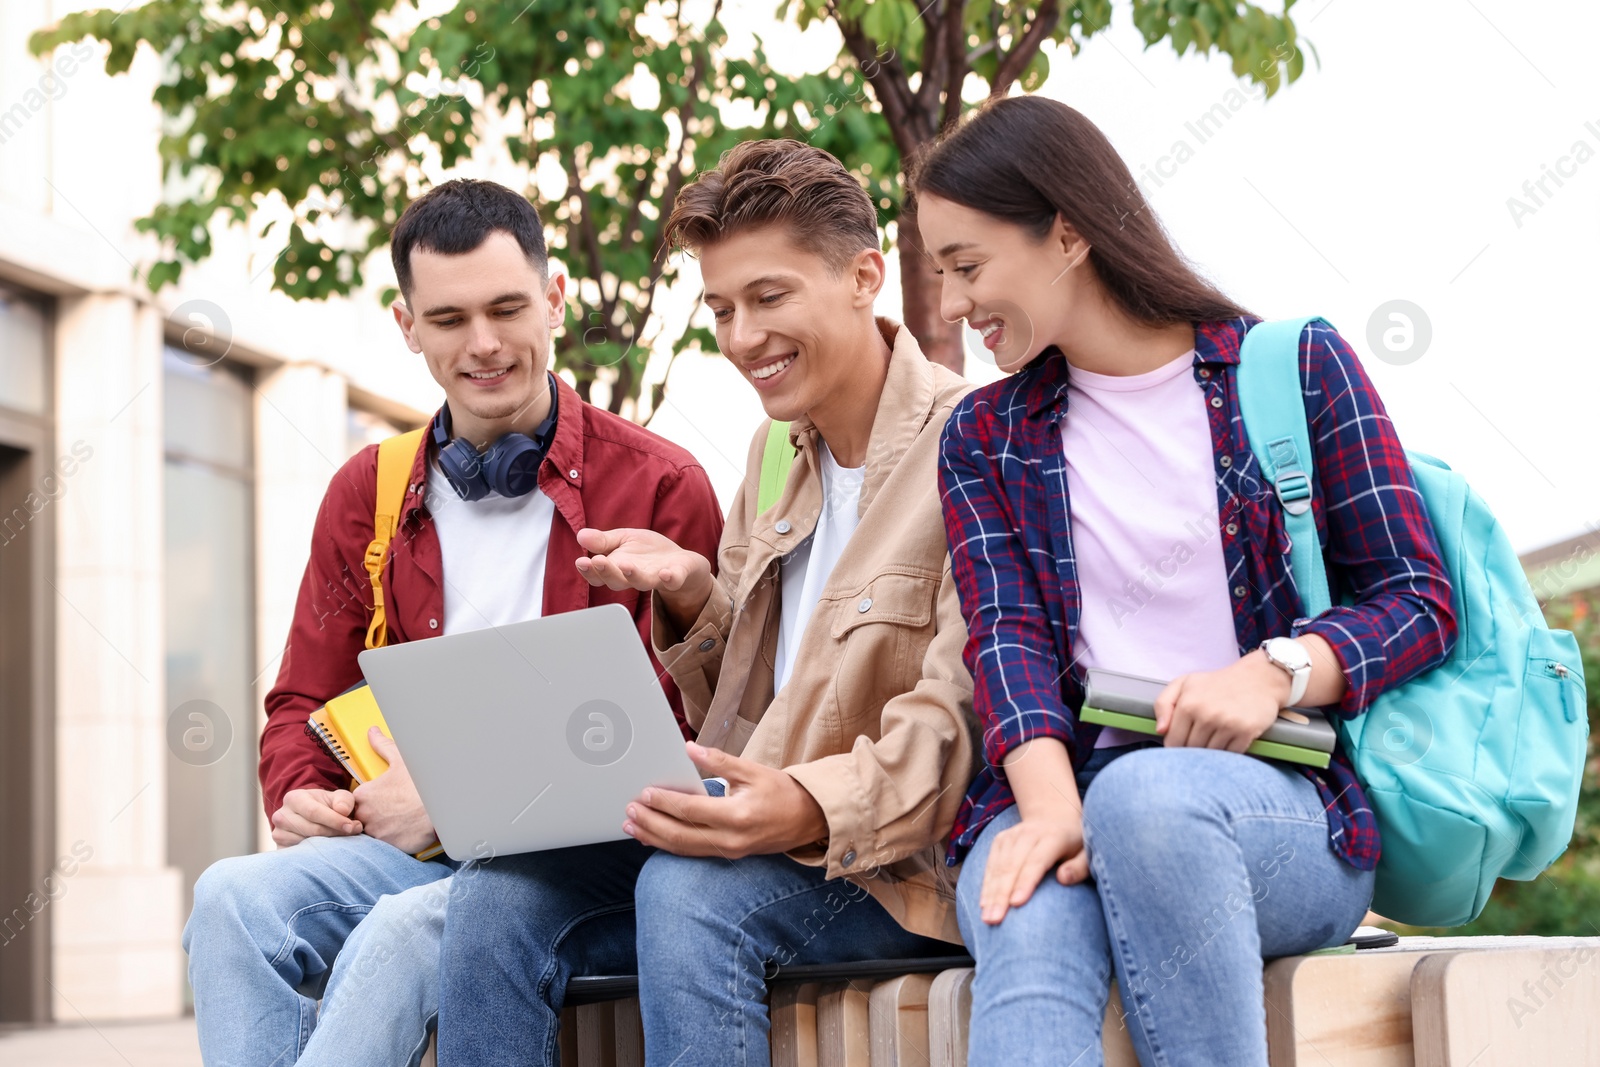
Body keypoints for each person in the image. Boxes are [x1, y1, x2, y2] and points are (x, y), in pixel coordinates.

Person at [911, 95, 1458, 1067]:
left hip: (1282, 807)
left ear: (1068, 234)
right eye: (939, 273)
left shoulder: (1288, 370)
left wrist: (1273, 671)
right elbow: (1008, 643)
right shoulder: (985, 436)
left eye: (967, 266)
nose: (950, 305)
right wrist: (1047, 813)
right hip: (1062, 786)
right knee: (1025, 917)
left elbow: (1417, 597)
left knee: (1149, 802)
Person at [435, 138, 978, 1067]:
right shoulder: (773, 463)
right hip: (743, 838)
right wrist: (693, 597)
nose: (740, 338)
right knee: (495, 894)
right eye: (722, 308)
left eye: (768, 298)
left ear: (863, 275)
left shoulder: (970, 447)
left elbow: (956, 723)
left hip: (887, 869)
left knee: (686, 892)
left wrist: (799, 806)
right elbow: (757, 703)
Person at [181, 178, 723, 1067]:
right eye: (449, 319)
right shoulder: (369, 490)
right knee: (229, 897)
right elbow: (303, 697)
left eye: (508, 308)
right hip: (408, 851)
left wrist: (459, 798)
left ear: (553, 300)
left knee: (401, 932)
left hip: (574, 868)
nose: (484, 344)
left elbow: (683, 737)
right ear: (407, 326)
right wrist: (298, 793)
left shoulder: (662, 485)